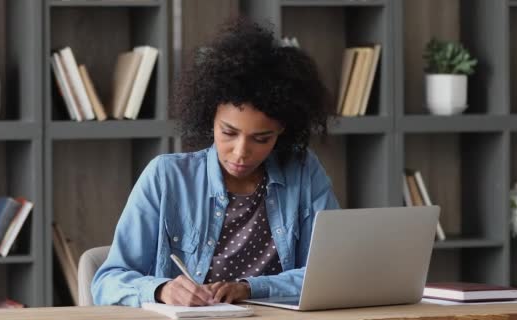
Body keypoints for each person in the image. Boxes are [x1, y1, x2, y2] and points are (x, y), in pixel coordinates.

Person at [91, 18, 339, 307]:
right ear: (210, 117)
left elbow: (330, 274)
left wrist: (249, 288)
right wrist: (162, 290)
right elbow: (106, 283)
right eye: (229, 133)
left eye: (261, 139)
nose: (240, 152)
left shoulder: (304, 172)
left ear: (283, 131)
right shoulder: (166, 177)